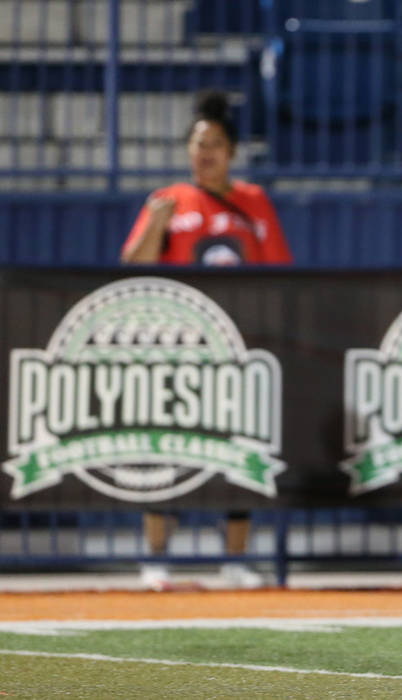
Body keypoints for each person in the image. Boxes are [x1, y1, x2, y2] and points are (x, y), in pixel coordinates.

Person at [122, 90, 293, 590]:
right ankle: (155, 559)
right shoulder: (167, 201)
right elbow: (131, 268)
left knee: (238, 452)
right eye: (198, 144)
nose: (205, 153)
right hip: (177, 350)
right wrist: (155, 223)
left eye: (215, 143)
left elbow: (279, 271)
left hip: (236, 349)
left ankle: (234, 561)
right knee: (164, 453)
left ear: (232, 151)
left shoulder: (254, 202)